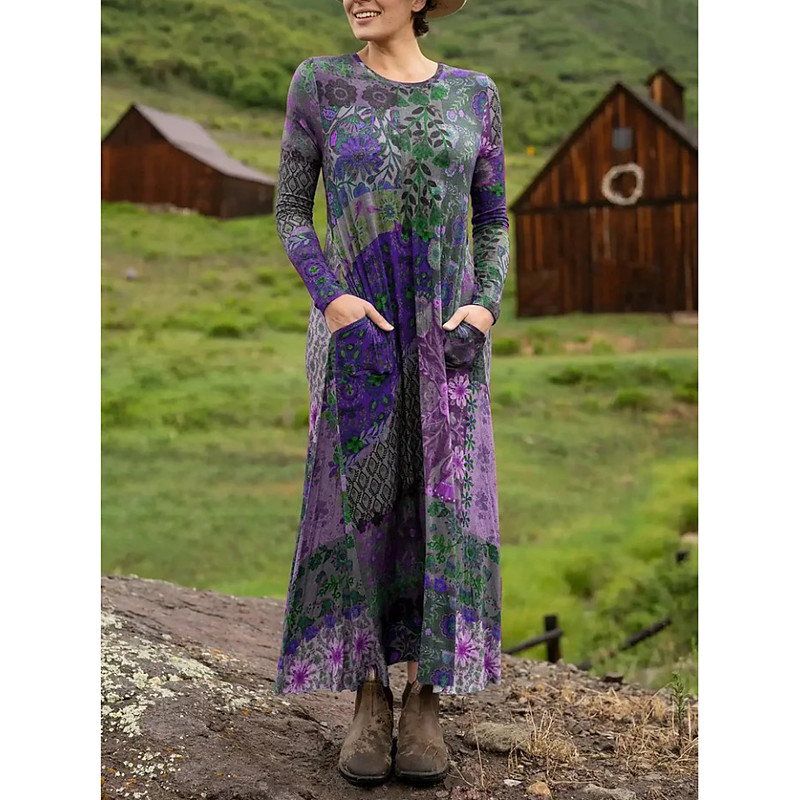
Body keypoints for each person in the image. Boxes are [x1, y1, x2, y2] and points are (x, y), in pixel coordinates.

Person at [273, 0, 509, 786]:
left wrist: (486, 305)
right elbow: (291, 211)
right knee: (362, 502)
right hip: (358, 332)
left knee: (445, 506)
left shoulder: (474, 94)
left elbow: (493, 219)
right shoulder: (318, 84)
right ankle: (370, 695)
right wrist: (331, 299)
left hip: (449, 338)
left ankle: (426, 697)